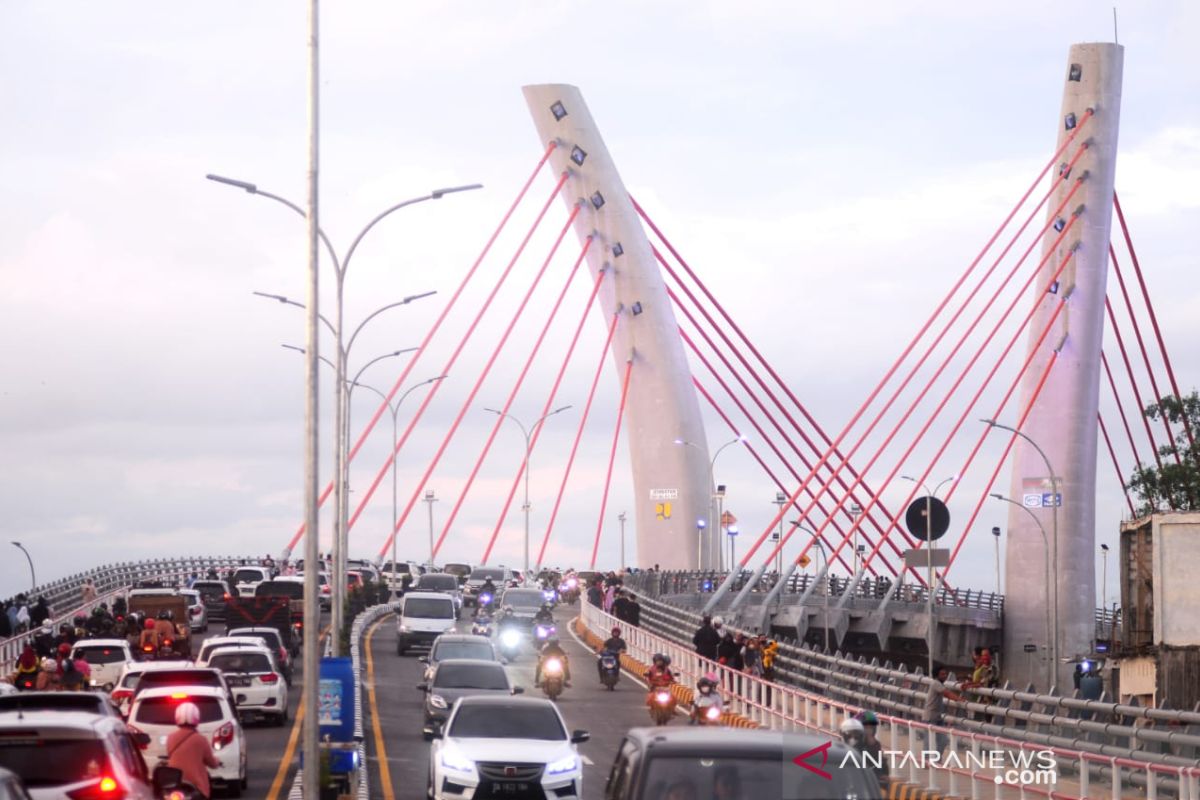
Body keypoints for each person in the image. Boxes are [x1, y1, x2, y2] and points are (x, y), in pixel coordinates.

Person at [167, 701, 222, 799]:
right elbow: (211, 762)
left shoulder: (170, 738)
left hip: (176, 785)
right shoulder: (201, 739)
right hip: (197, 787)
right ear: (196, 718)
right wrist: (217, 762)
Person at [924, 667, 962, 753]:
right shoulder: (935, 683)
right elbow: (947, 693)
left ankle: (936, 760)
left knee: (942, 741)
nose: (945, 676)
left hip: (938, 718)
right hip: (930, 718)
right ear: (937, 676)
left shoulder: (939, 684)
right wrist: (960, 699)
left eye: (945, 674)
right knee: (929, 742)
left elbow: (946, 693)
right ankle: (926, 761)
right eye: (942, 674)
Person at [855, 710, 889, 787]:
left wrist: (883, 775)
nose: (868, 730)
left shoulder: (876, 744)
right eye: (866, 727)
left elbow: (881, 764)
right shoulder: (854, 743)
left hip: (870, 781)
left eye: (871, 728)